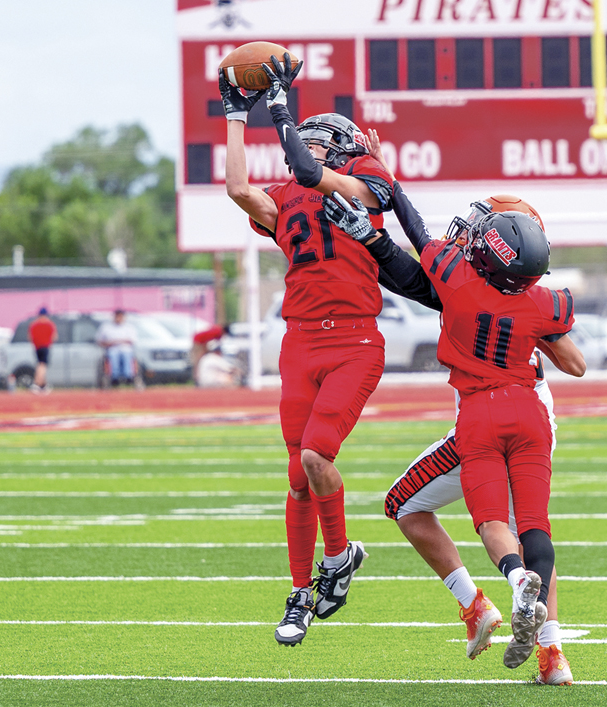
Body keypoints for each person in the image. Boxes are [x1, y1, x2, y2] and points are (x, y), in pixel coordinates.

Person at [325, 170, 585, 671]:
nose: (469, 233)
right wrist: (533, 327)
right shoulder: (537, 301)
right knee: (532, 528)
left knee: (441, 512)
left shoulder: (462, 283)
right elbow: (576, 363)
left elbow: (413, 252)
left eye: (481, 230)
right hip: (533, 413)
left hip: (482, 416)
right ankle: (550, 653)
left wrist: (369, 226)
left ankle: (477, 605)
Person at [218, 52, 394, 646]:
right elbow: (238, 187)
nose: (311, 152)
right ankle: (299, 594)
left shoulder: (363, 188)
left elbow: (376, 188)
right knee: (297, 476)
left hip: (355, 341)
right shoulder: (285, 198)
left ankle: (339, 557)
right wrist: (235, 114)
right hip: (299, 342)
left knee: (318, 458)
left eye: (322, 145)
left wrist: (285, 115)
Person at [95, 309, 137, 387]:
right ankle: (114, 377)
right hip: (112, 349)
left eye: (121, 316)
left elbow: (132, 341)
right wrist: (113, 343)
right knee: (113, 356)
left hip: (126, 349)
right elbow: (100, 340)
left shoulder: (129, 327)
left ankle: (128, 376)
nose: (119, 318)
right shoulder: (106, 327)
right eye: (117, 316)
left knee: (126, 356)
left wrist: (117, 341)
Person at [28, 307, 57, 394]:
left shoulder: (33, 325)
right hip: (45, 346)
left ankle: (43, 385)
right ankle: (37, 383)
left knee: (39, 364)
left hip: (37, 347)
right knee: (42, 365)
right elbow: (54, 336)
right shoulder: (49, 324)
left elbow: (30, 337)